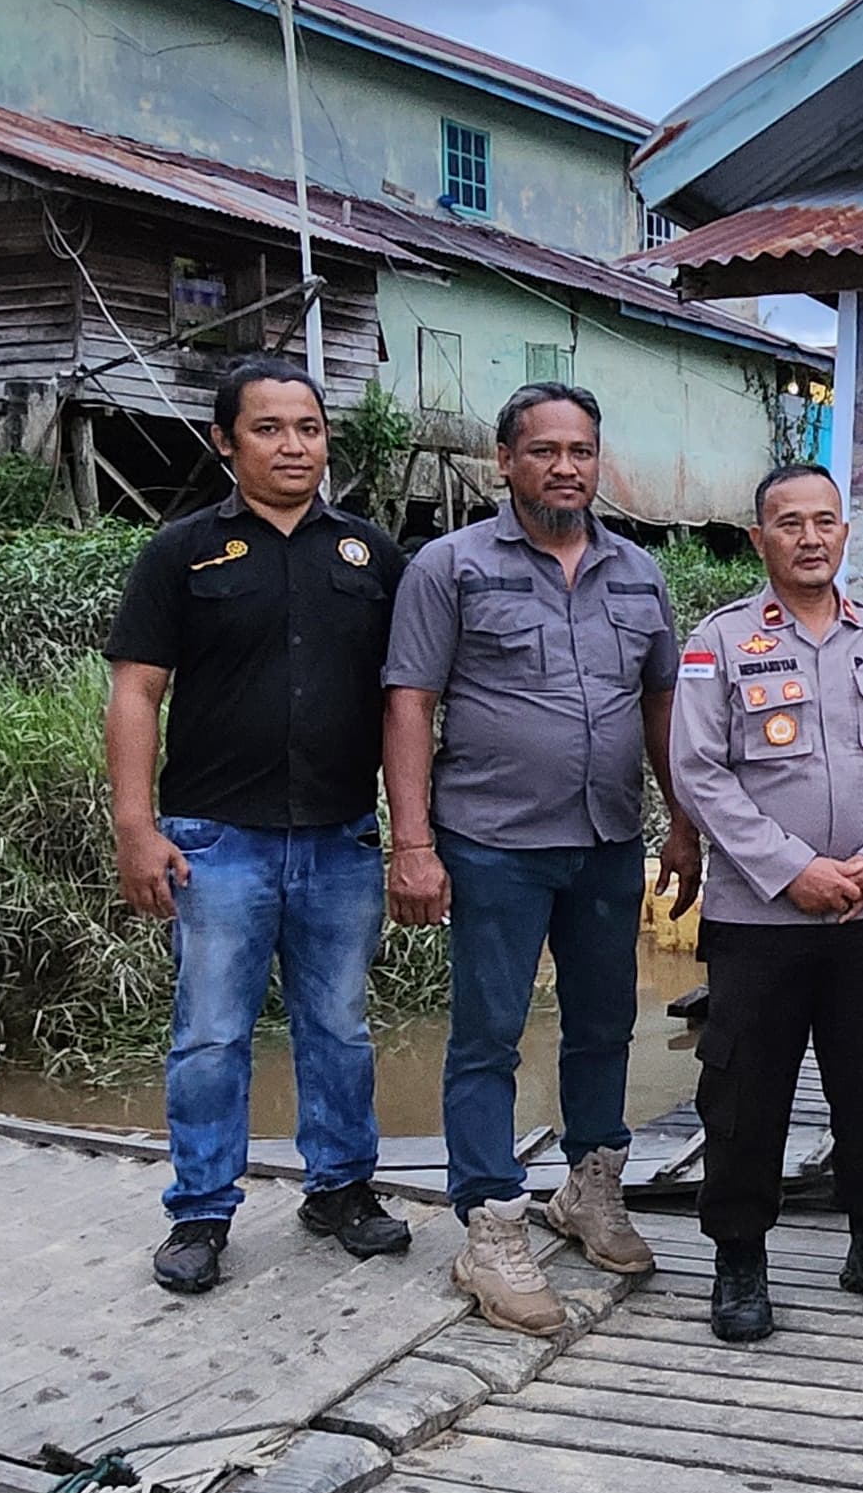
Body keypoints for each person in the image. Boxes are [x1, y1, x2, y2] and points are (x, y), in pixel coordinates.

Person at [383, 382, 699, 1336]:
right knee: (488, 1032)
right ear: (505, 461)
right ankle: (490, 1226)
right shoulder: (449, 567)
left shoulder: (639, 574)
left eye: (582, 451)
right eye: (546, 449)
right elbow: (409, 703)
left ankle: (591, 1187)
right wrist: (413, 845)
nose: (567, 466)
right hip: (492, 842)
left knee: (605, 1022)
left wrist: (681, 823)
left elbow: (660, 707)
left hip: (606, 839)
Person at [103, 357, 414, 1295]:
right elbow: (136, 691)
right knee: (209, 1034)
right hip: (215, 842)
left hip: (340, 837)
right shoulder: (180, 552)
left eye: (309, 428)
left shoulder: (370, 555)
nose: (294, 446)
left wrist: (412, 834)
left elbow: (409, 702)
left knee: (340, 1028)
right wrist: (135, 827)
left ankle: (341, 1188)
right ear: (225, 442)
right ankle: (201, 1211)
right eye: (270, 429)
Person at [666, 464, 863, 1343]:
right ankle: (739, 1260)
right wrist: (792, 871)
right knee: (745, 1092)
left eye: (825, 521)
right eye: (790, 523)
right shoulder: (720, 642)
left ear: (845, 531)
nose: (811, 536)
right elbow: (699, 773)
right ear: (760, 540)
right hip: (761, 918)